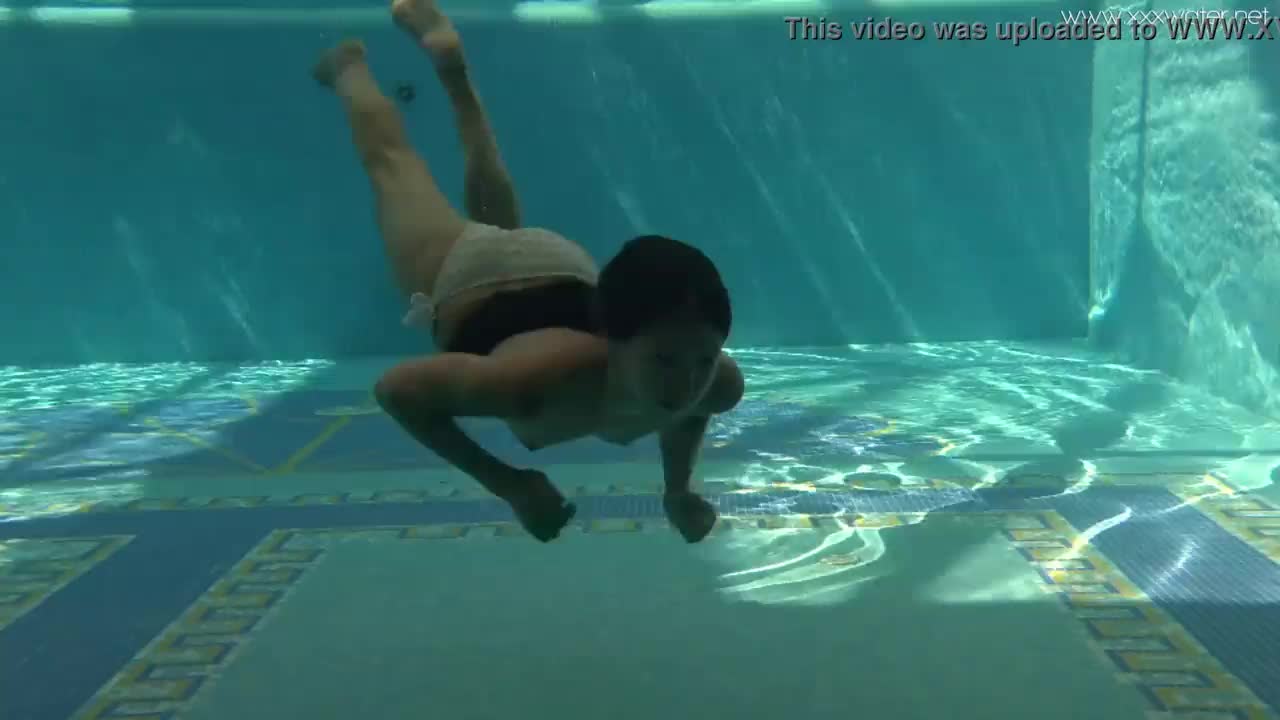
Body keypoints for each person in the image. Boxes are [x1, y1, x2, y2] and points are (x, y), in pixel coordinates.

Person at [312, 0, 744, 544]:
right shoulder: (528, 387)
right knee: (393, 166)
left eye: (703, 360)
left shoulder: (718, 386)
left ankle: (452, 68)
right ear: (609, 335)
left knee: (488, 215)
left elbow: (690, 412)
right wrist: (509, 483)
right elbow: (397, 391)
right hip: (473, 280)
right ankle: (346, 66)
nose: (686, 384)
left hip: (558, 266)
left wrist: (677, 489)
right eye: (664, 361)